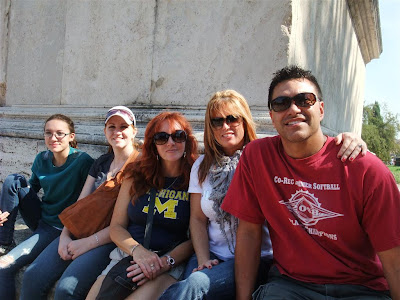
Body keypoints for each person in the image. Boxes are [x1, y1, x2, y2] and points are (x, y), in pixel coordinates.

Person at [159, 90, 367, 300]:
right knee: (189, 287)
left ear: (245, 121)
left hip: (256, 259)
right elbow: (197, 218)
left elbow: (307, 148)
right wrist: (203, 258)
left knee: (194, 286)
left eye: (232, 119)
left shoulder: (265, 157)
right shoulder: (201, 166)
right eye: (217, 121)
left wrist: (349, 140)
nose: (225, 126)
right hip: (211, 255)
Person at [221, 66, 400, 300]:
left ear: (321, 109)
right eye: (281, 103)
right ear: (272, 116)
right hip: (291, 285)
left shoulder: (365, 169)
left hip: (360, 288)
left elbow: (394, 258)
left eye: (305, 100)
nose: (293, 109)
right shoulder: (257, 157)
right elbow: (248, 233)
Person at [20, 106, 141, 299]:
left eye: (123, 126)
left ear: (133, 131)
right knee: (32, 276)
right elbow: (80, 204)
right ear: (105, 131)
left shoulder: (141, 166)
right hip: (80, 230)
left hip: (110, 240)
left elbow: (126, 222)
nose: (117, 132)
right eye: (111, 127)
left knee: (66, 289)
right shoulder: (101, 162)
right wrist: (65, 237)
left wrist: (87, 243)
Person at [86, 111, 198, 300]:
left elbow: (197, 234)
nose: (171, 143)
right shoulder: (135, 175)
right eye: (162, 137)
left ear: (187, 140)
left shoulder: (195, 178)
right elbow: (117, 227)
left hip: (169, 261)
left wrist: (165, 262)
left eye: (178, 136)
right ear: (153, 144)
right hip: (128, 255)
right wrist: (138, 252)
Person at [0, 114, 94, 300]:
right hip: (45, 222)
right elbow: (30, 189)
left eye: (60, 133)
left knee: (15, 270)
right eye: (48, 133)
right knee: (14, 180)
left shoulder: (83, 162)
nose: (53, 138)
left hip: (66, 228)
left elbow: (90, 201)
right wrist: (5, 211)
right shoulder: (41, 159)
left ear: (71, 136)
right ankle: (4, 240)